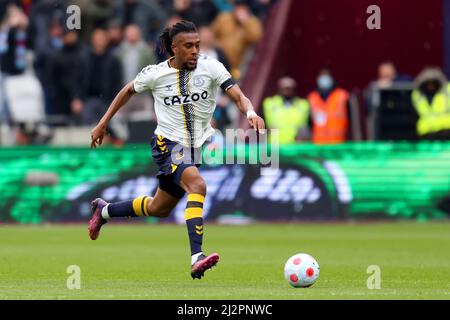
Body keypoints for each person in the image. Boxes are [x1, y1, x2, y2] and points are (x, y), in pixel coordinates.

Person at [88, 20, 265, 279]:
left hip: (194, 149)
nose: (195, 51)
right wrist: (103, 123)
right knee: (198, 186)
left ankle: (104, 211)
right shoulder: (155, 73)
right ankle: (197, 256)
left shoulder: (212, 67)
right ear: (175, 48)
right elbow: (127, 91)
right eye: (189, 46)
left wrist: (250, 111)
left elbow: (238, 95)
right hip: (167, 144)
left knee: (159, 208)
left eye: (197, 45)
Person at [307, 69, 350, 144]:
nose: (324, 79)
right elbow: (309, 123)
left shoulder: (342, 96)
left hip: (339, 144)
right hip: (318, 145)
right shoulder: (312, 97)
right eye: (322, 76)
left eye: (327, 76)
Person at [262, 76, 309, 144]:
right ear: (279, 89)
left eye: (289, 88)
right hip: (275, 146)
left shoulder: (303, 105)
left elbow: (307, 127)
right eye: (285, 88)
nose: (287, 91)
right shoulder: (269, 104)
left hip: (296, 146)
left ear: (294, 89)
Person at [411, 67, 450, 140]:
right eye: (428, 83)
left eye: (433, 82)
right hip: (425, 133)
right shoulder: (417, 95)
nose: (430, 85)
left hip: (446, 131)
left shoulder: (447, 91)